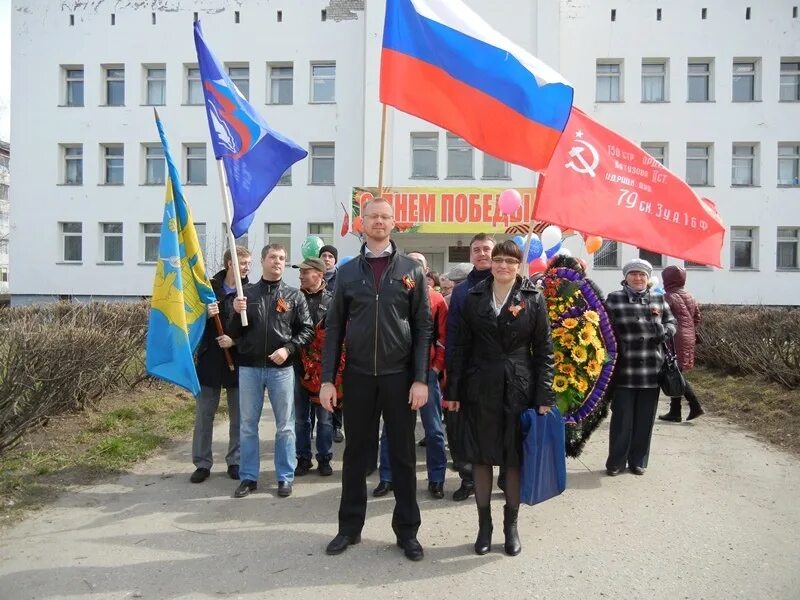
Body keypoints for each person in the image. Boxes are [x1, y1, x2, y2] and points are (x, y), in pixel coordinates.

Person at [320, 197, 432, 561]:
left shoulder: (410, 271)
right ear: (362, 223)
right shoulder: (348, 272)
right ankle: (349, 528)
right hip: (359, 378)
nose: (379, 222)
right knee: (355, 456)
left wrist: (420, 379)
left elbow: (422, 328)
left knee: (402, 457)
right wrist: (326, 380)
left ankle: (407, 532)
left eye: (385, 217)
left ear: (393, 223)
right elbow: (334, 328)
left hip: (399, 377)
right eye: (373, 217)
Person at [447, 240, 555, 557]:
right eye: (498, 260)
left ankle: (511, 526)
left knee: (513, 460)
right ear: (491, 263)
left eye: (510, 260)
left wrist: (543, 394)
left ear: (519, 265)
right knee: (481, 458)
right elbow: (460, 348)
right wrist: (453, 390)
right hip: (479, 386)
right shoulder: (473, 296)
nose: (503, 265)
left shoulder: (533, 299)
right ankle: (484, 526)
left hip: (519, 387)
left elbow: (545, 352)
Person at [228, 244, 314, 498]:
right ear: (263, 260)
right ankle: (248, 477)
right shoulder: (247, 294)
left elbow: (306, 330)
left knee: (285, 426)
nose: (278, 261)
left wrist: (288, 349)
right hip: (250, 368)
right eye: (273, 257)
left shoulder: (294, 296)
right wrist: (235, 313)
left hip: (282, 369)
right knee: (247, 425)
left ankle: (285, 477)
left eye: (282, 258)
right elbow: (234, 333)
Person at [374, 251, 448, 500]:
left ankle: (436, 478)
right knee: (390, 429)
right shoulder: (392, 295)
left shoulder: (437, 299)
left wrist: (436, 368)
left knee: (434, 430)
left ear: (426, 271)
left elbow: (443, 340)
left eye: (419, 264)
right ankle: (387, 476)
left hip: (426, 373)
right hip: (397, 370)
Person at [605, 259, 677, 477]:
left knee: (645, 419)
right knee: (622, 419)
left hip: (651, 369)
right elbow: (604, 328)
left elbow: (671, 322)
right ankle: (616, 462)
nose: (638, 278)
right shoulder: (614, 298)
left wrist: (664, 332)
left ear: (648, 278)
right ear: (626, 277)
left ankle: (638, 460)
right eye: (633, 274)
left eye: (642, 275)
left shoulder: (658, 298)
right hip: (624, 369)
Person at [190, 246, 250, 483]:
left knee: (238, 416)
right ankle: (202, 463)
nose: (247, 268)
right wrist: (204, 314)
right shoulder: (208, 289)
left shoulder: (250, 292)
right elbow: (191, 322)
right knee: (205, 414)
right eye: (243, 263)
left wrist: (234, 340)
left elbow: (253, 328)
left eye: (248, 263)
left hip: (237, 360)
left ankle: (235, 461)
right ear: (230, 264)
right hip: (210, 359)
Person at [444, 236, 496, 501]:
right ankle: (468, 479)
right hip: (468, 370)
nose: (482, 254)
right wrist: (452, 373)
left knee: (497, 428)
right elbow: (452, 334)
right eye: (477, 250)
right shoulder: (462, 291)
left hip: (501, 373)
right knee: (462, 428)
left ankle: (498, 477)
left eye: (487, 249)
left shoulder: (511, 285)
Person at [293, 257, 335, 477]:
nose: (300, 276)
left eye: (305, 272)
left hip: (324, 369)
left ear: (319, 275)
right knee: (301, 418)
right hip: (298, 366)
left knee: (325, 418)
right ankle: (303, 458)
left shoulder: (333, 300)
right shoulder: (294, 297)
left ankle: (325, 458)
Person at [658, 266, 705, 422]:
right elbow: (697, 317)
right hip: (688, 337)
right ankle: (675, 411)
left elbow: (661, 319)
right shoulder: (690, 296)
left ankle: (695, 405)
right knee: (676, 372)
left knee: (674, 373)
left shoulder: (668, 297)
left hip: (674, 338)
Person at [319, 245, 344, 443]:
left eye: (330, 256)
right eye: (323, 256)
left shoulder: (342, 279)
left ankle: (337, 425)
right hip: (316, 341)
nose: (327, 259)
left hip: (339, 338)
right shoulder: (313, 277)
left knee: (338, 384)